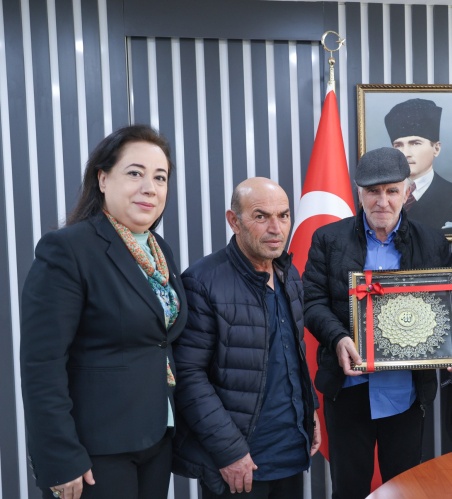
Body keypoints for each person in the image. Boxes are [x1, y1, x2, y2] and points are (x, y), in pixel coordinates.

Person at [21, 125, 186, 499]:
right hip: (96, 449)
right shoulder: (68, 249)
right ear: (103, 179)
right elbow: (42, 363)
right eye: (135, 173)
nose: (150, 188)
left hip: (156, 436)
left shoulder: (159, 250)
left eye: (160, 177)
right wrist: (60, 457)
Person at [303, 147, 452, 499]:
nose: (382, 201)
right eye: (373, 191)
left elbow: (446, 308)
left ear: (407, 192)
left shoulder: (432, 243)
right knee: (348, 489)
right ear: (359, 193)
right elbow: (312, 302)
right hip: (348, 389)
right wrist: (338, 338)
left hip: (407, 394)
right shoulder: (328, 239)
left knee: (406, 489)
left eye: (392, 190)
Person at [171, 178, 321, 498]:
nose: (276, 228)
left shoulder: (289, 274)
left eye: (283, 216)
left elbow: (292, 355)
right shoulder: (202, 281)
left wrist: (310, 410)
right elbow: (187, 376)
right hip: (240, 464)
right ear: (234, 221)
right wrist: (230, 452)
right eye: (261, 216)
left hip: (291, 449)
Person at [385, 98, 452, 234]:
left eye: (415, 143)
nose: (405, 153)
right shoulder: (380, 196)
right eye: (398, 145)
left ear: (436, 149)